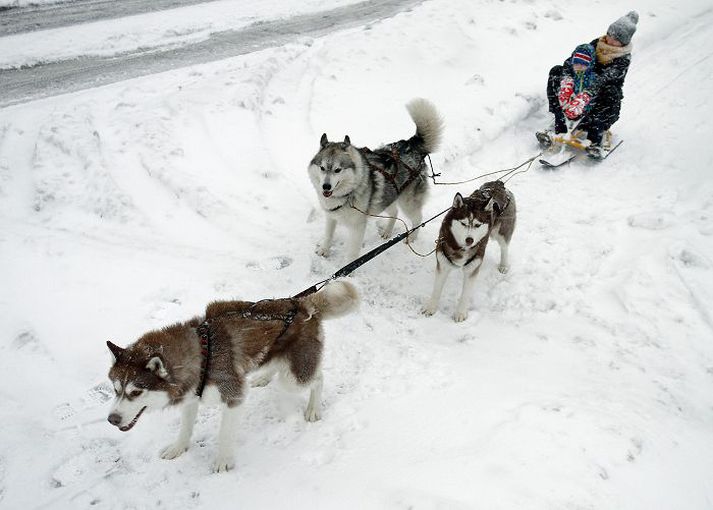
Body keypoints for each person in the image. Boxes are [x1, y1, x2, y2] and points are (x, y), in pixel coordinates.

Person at [537, 11, 639, 159]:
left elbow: (605, 78)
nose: (610, 40)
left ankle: (595, 138)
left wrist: (587, 93)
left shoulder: (623, 59)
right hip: (577, 92)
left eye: (616, 39)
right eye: (610, 35)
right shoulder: (596, 44)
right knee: (556, 71)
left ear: (623, 42)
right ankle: (559, 120)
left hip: (599, 99)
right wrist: (567, 80)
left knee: (611, 92)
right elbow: (571, 61)